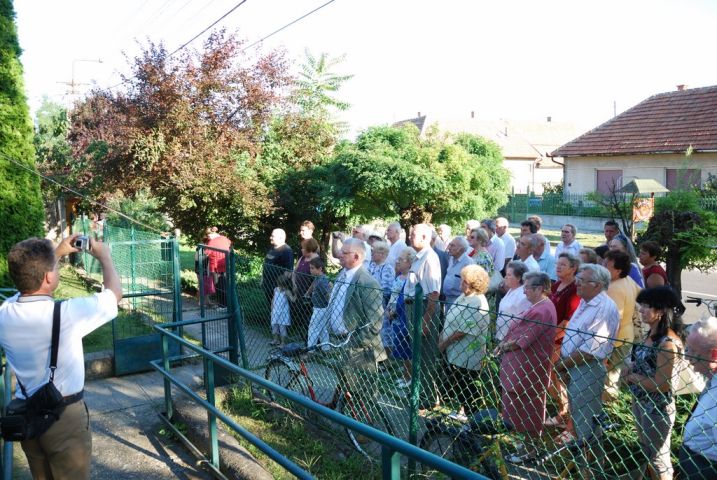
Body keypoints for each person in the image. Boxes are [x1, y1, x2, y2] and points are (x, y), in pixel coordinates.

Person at [0, 235, 122, 479]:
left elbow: (27, 284)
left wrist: (54, 255)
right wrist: (104, 256)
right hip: (64, 418)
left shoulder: (5, 312)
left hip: (28, 415)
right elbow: (114, 294)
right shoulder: (67, 314)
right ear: (48, 277)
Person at [554, 264, 619, 450]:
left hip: (586, 368)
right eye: (578, 279)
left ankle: (588, 463)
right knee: (579, 418)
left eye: (582, 280)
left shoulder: (604, 308)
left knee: (586, 423)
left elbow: (590, 351)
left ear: (597, 285)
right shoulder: (586, 301)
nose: (577, 283)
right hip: (573, 365)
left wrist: (561, 365)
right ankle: (583, 461)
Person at [623, 286, 683, 480]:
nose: (641, 310)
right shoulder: (650, 335)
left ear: (661, 310)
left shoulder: (667, 343)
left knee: (657, 458)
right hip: (641, 402)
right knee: (647, 453)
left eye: (647, 306)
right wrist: (631, 367)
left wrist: (632, 377)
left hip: (657, 409)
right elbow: (647, 364)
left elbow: (662, 384)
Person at [496, 271, 556, 461]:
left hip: (527, 368)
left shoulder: (542, 310)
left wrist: (503, 346)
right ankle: (524, 445)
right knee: (520, 406)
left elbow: (523, 338)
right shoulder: (539, 306)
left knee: (528, 408)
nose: (524, 292)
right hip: (522, 367)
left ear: (539, 289)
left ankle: (529, 449)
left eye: (527, 288)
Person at [438, 264, 491, 420]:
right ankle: (463, 412)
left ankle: (472, 418)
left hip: (466, 352)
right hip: (455, 350)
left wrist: (443, 344)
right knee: (458, 382)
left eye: (464, 281)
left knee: (466, 385)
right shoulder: (464, 296)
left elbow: (463, 330)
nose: (460, 283)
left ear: (474, 284)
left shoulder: (477, 302)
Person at [406, 224, 442, 410]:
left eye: (413, 234)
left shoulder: (430, 258)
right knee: (417, 354)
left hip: (424, 309)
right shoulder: (419, 256)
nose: (410, 237)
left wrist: (425, 321)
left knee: (425, 356)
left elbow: (434, 293)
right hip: (415, 308)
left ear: (425, 237)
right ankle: (418, 393)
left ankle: (427, 398)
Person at [545, 252, 581, 431]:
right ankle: (562, 409)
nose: (558, 267)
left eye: (563, 265)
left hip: (560, 341)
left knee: (558, 376)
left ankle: (564, 413)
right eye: (557, 264)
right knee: (550, 378)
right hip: (548, 337)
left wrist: (551, 336)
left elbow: (568, 320)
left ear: (573, 269)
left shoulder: (575, 290)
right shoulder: (556, 284)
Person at [678, 316, 717, 479]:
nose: (687, 357)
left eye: (693, 351)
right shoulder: (712, 379)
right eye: (687, 349)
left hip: (706, 467)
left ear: (714, 354)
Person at [603, 250, 641, 401]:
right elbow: (641, 294)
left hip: (615, 339)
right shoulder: (628, 280)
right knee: (617, 374)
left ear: (618, 271)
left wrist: (608, 343)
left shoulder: (614, 288)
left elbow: (614, 319)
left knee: (610, 378)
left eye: (607, 265)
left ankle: (608, 407)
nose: (603, 266)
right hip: (627, 335)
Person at [387, 247, 416, 389]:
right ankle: (405, 373)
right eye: (397, 259)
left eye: (401, 259)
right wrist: (388, 309)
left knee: (407, 348)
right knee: (401, 346)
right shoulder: (398, 277)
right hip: (394, 316)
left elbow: (405, 300)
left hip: (402, 316)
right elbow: (393, 295)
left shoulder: (412, 279)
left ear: (410, 263)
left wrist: (394, 312)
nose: (397, 262)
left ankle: (409, 376)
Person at [495, 261, 531, 343]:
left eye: (509, 275)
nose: (505, 277)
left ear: (518, 278)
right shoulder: (511, 289)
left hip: (511, 339)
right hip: (501, 335)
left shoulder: (523, 296)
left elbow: (522, 323)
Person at [292, 238, 320, 328]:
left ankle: (306, 333)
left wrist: (307, 293)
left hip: (308, 294)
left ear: (309, 249)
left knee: (306, 315)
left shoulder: (316, 261)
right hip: (297, 289)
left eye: (303, 248)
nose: (301, 249)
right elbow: (294, 271)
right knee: (297, 312)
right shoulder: (302, 258)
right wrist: (294, 284)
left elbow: (317, 279)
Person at [306, 257, 331, 351]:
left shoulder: (323, 280)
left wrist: (330, 307)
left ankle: (310, 351)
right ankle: (326, 349)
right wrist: (307, 294)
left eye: (312, 268)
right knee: (322, 329)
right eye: (310, 268)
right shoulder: (318, 278)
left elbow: (328, 294)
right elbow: (313, 285)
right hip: (318, 307)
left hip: (321, 308)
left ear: (320, 269)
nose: (310, 270)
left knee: (313, 329)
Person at [262, 228, 294, 302]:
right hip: (267, 284)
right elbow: (266, 263)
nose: (270, 237)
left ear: (281, 238)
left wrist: (281, 286)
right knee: (270, 305)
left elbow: (288, 271)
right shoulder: (272, 248)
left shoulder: (287, 251)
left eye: (273, 236)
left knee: (276, 306)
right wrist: (263, 279)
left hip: (277, 288)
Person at [443, 236, 474, 306]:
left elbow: (470, 285)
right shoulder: (451, 258)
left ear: (461, 249)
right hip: (447, 298)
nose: (449, 247)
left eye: (452, 245)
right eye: (450, 244)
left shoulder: (468, 263)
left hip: (459, 301)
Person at [206, 227, 232, 307]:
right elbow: (230, 245)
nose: (208, 238)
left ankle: (222, 305)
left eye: (209, 236)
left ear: (211, 235)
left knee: (218, 286)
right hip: (225, 264)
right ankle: (227, 304)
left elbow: (206, 253)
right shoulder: (225, 239)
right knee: (225, 284)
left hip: (215, 266)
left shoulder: (212, 241)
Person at [368, 241, 395, 307]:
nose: (371, 254)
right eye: (371, 251)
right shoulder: (372, 265)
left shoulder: (387, 269)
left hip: (379, 303)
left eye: (374, 252)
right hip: (368, 298)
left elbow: (386, 290)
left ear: (382, 254)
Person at [270, 272, 295, 346]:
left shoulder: (287, 292)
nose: (281, 288)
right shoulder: (275, 289)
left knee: (282, 328)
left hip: (283, 313)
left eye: (283, 286)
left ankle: (283, 343)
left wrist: (296, 293)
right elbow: (273, 300)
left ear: (286, 285)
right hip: (275, 311)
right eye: (280, 285)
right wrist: (271, 310)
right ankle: (275, 340)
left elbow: (293, 300)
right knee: (274, 326)